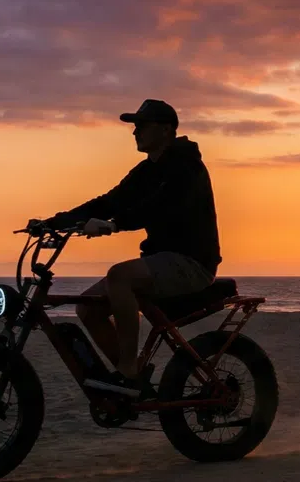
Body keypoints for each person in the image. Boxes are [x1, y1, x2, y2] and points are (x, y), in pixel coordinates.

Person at [43, 99, 220, 401]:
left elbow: (163, 207)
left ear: (165, 130)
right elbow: (109, 201)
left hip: (192, 262)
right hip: (159, 261)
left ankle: (128, 370)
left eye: (141, 125)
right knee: (87, 307)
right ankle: (132, 379)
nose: (134, 132)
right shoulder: (146, 170)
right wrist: (54, 222)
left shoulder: (185, 165)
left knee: (120, 275)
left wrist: (114, 225)